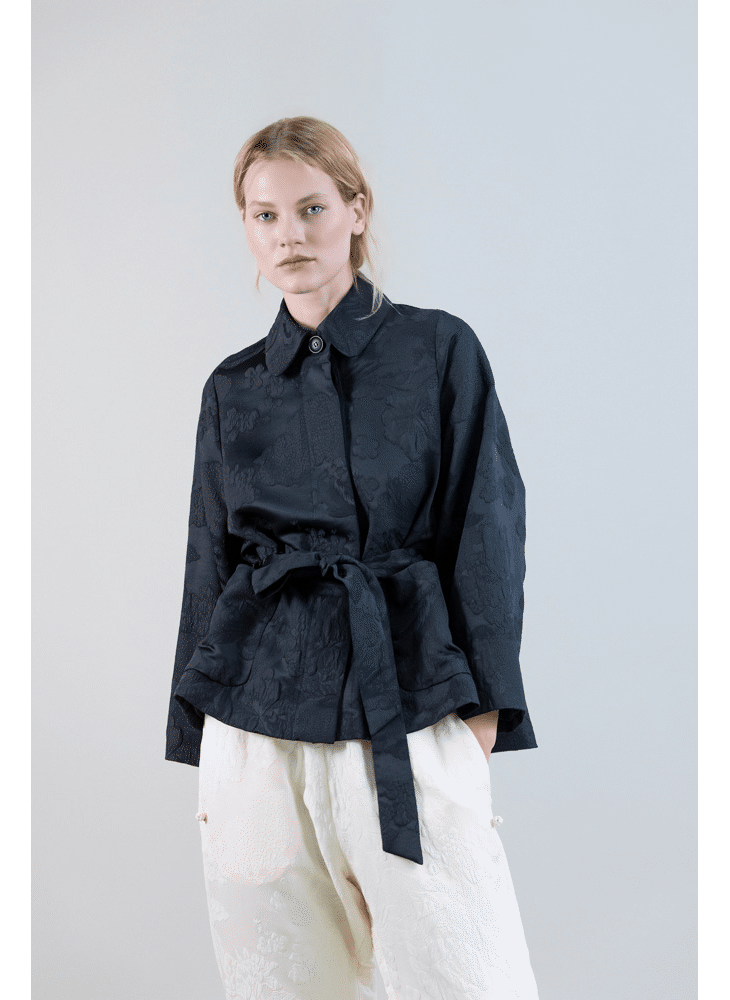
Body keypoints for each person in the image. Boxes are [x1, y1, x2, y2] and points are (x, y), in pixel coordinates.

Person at [165, 116, 540, 999]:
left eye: (311, 208)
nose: (289, 235)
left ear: (356, 211)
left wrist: (487, 705)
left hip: (406, 696)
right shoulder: (232, 386)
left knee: (465, 975)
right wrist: (196, 723)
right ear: (245, 227)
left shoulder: (438, 349)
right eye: (264, 216)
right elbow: (208, 554)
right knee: (285, 981)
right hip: (257, 717)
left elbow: (487, 521)